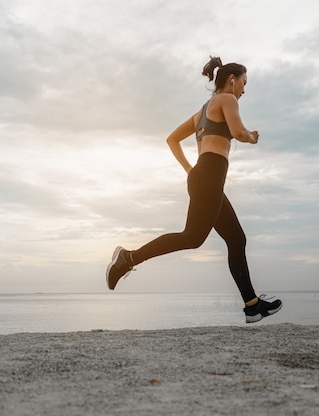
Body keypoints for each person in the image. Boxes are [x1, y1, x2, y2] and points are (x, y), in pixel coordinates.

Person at [105, 56, 282, 323]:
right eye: (244, 83)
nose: (244, 90)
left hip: (205, 175)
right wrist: (251, 137)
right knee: (192, 237)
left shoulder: (202, 111)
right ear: (232, 80)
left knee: (236, 239)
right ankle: (127, 258)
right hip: (209, 174)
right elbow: (238, 130)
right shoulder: (227, 100)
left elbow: (172, 139)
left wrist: (191, 170)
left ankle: (252, 306)